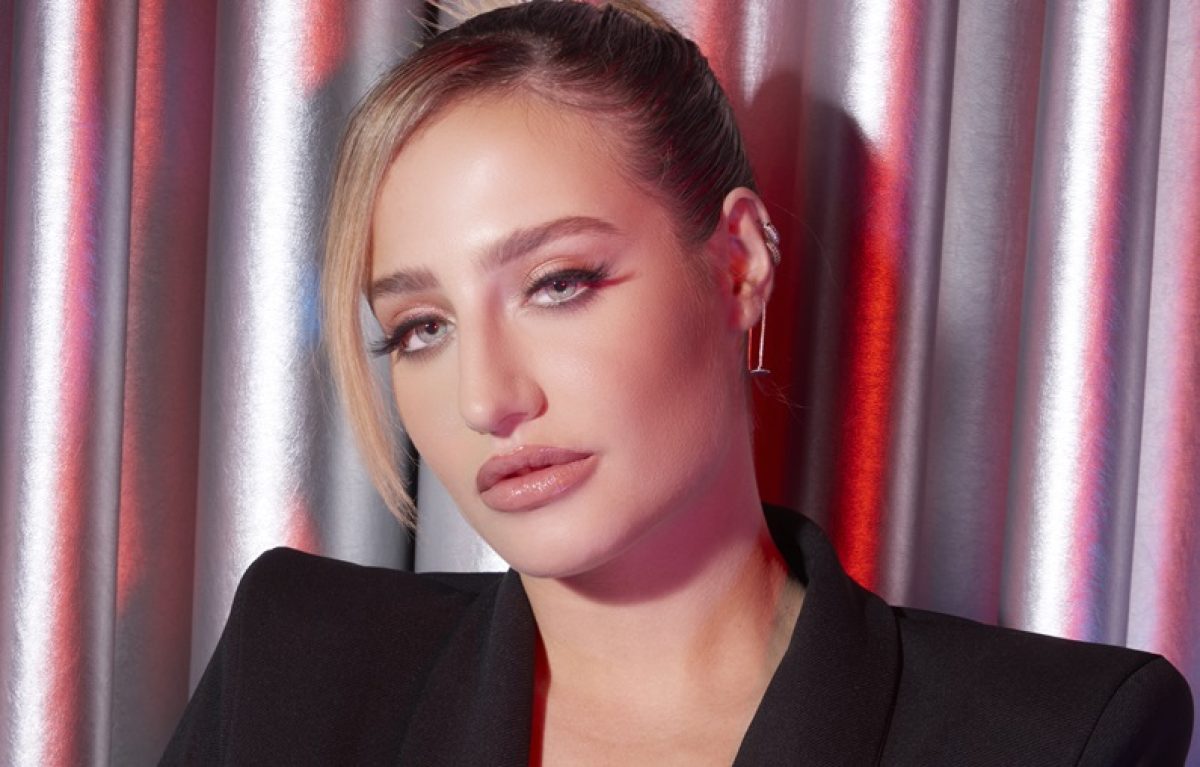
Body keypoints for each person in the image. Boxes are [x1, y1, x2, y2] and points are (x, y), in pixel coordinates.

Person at [161, 1, 1193, 764]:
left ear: (738, 264)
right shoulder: (296, 666)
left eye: (559, 283)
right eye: (422, 327)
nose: (487, 398)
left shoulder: (1059, 733)